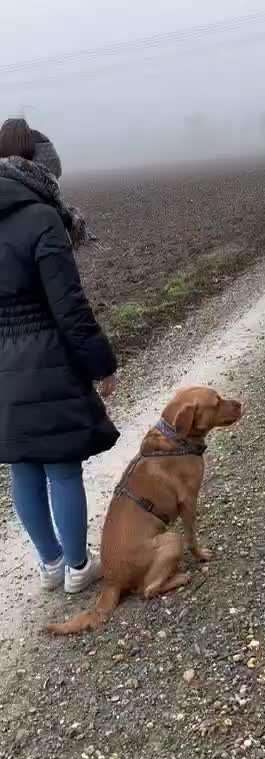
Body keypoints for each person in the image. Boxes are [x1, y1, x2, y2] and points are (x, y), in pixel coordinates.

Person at [0, 118, 119, 593]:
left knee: (22, 465)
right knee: (61, 465)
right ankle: (77, 567)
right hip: (48, 356)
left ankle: (49, 565)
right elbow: (68, 305)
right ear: (39, 165)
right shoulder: (42, 217)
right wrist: (101, 363)